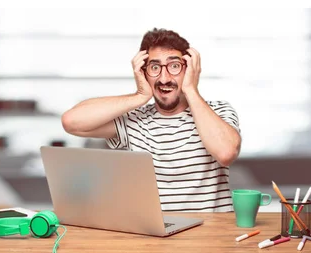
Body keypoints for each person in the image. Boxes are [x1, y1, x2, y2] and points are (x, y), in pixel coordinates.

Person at [61, 28, 241, 212]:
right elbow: (71, 121)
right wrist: (139, 96)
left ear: (189, 70)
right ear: (144, 73)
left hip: (210, 236)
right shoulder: (134, 120)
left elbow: (226, 153)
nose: (164, 78)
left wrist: (191, 90)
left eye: (174, 66)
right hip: (156, 237)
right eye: (155, 68)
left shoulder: (219, 110)